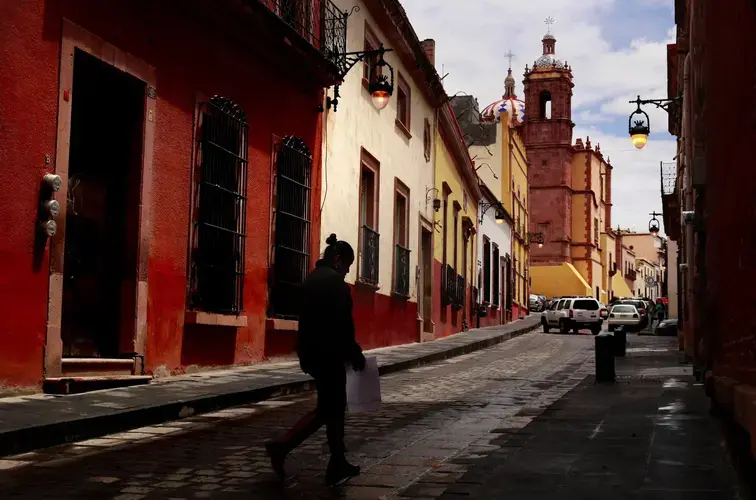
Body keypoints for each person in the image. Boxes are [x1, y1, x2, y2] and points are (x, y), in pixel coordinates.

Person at [265, 233, 366, 486]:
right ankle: (284, 446)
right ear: (339, 260)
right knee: (329, 409)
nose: (347, 272)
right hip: (329, 355)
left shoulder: (312, 279)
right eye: (348, 266)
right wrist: (355, 354)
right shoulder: (336, 285)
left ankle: (337, 460)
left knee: (332, 408)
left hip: (311, 353)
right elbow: (343, 326)